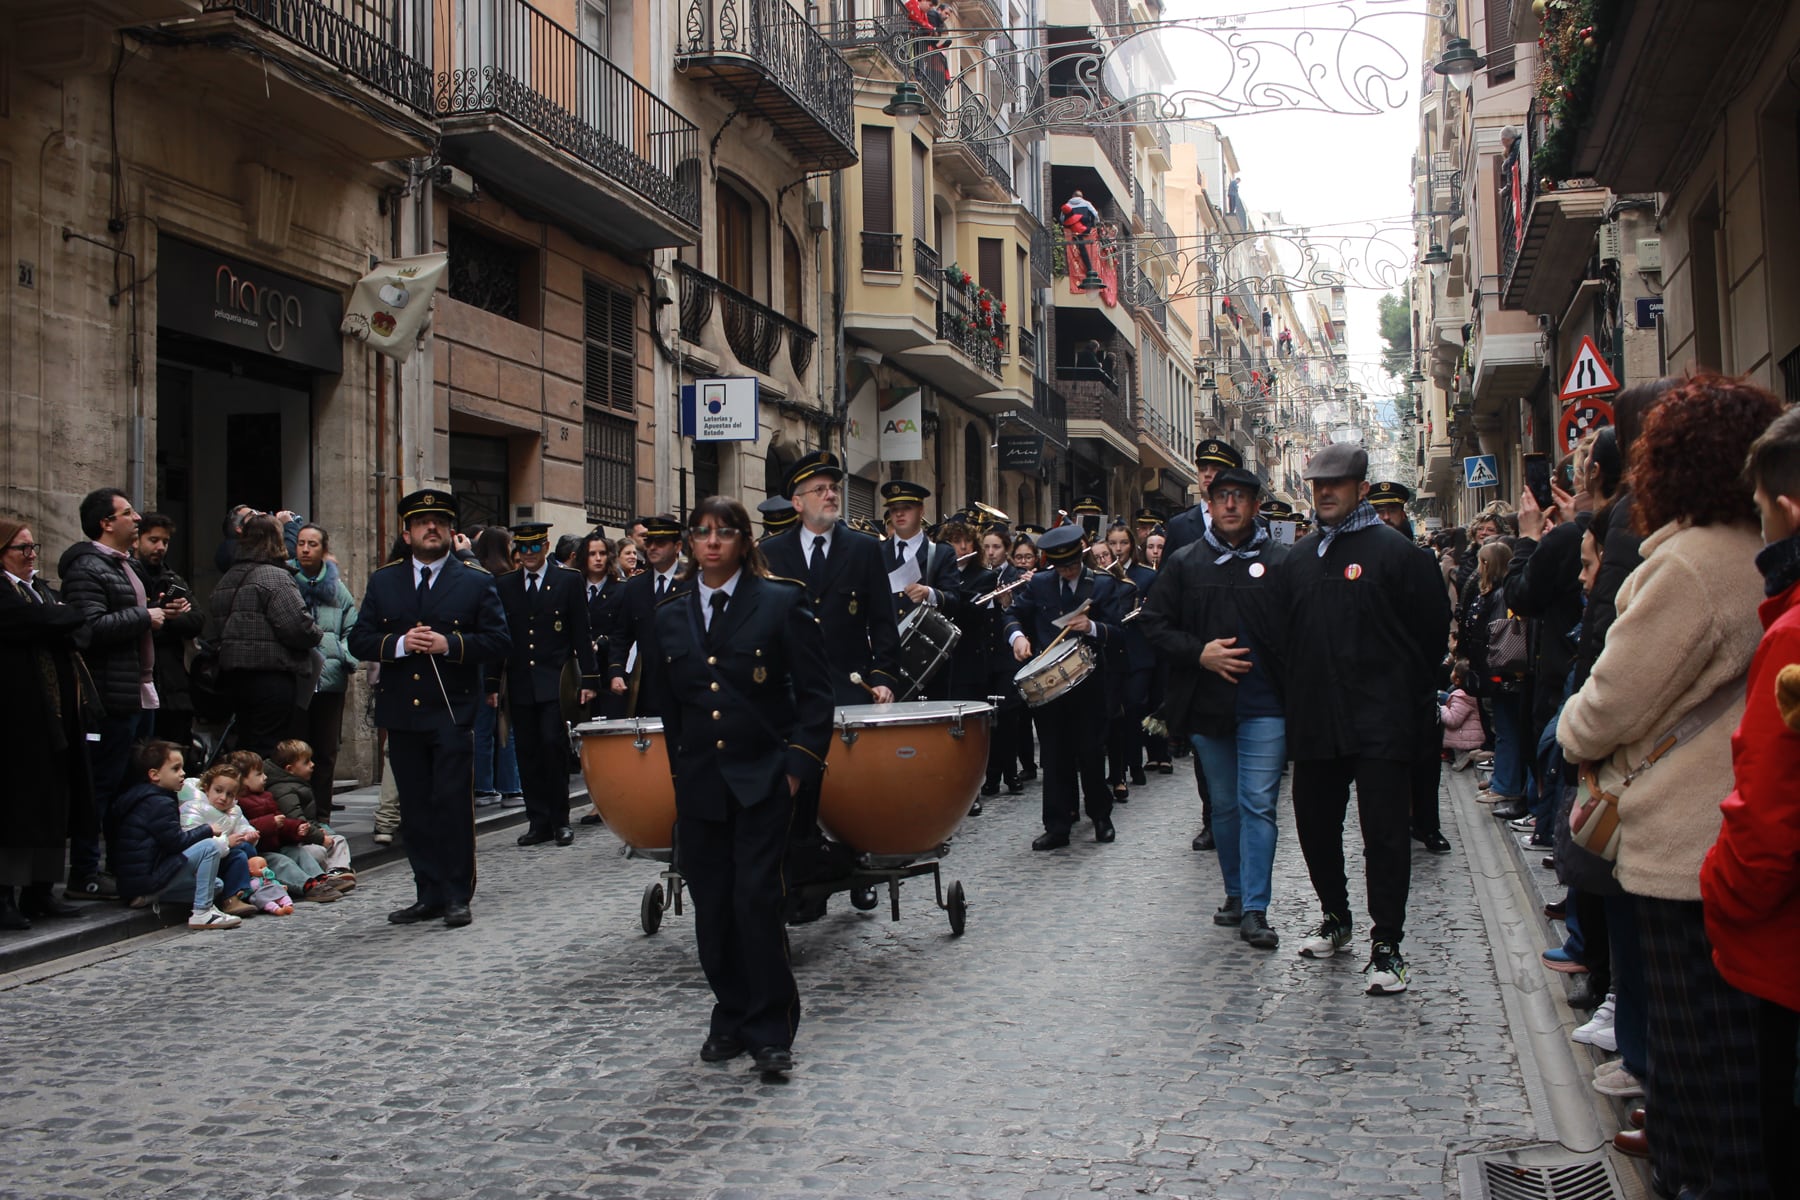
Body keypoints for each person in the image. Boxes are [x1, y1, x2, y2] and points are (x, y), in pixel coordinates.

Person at [1557, 375, 1779, 1192]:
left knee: (1696, 1061)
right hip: (1735, 834)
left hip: (1684, 847)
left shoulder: (1686, 566)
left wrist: (1576, 732)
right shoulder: (1755, 553)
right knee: (1739, 1055)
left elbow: (1604, 706)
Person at [647, 496, 833, 1077]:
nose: (711, 542)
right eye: (700, 532)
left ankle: (770, 1026)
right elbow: (669, 705)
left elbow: (815, 696)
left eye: (723, 532)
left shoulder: (779, 602)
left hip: (763, 780)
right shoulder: (670, 614)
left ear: (743, 541)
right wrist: (681, 775)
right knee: (713, 906)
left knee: (756, 899)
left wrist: (797, 769)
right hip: (702, 784)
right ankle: (729, 1012)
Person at [1281, 442, 1451, 996]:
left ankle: (1388, 944)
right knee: (1315, 828)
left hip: (1381, 718)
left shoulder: (1398, 554)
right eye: (1317, 484)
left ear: (1359, 487)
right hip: (1316, 720)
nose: (1324, 493)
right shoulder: (1298, 559)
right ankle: (1336, 916)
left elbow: (1429, 634)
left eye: (1335, 484)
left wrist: (1402, 693)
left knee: (1384, 836)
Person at [1700, 402, 1800, 1190]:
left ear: (1787, 509)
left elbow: (1768, 818)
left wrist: (1719, 892)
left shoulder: (1792, 638)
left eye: (1761, 510)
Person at [348, 488, 511, 929]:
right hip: (402, 713)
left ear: (451, 529)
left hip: (452, 709)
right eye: (422, 523)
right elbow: (359, 639)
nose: (431, 528)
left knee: (451, 805)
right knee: (416, 809)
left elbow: (499, 641)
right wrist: (398, 644)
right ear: (408, 532)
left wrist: (450, 644)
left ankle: (458, 894)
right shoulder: (385, 581)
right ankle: (428, 892)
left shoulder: (475, 581)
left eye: (439, 520)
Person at [1140, 466, 1288, 949]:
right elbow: (1154, 624)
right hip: (1208, 706)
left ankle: (1255, 909)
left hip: (1266, 705)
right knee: (1223, 807)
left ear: (1255, 505)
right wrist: (1198, 652)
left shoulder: (1282, 562)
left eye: (1239, 497)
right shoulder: (1185, 563)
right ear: (1210, 501)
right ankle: (1233, 893)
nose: (1229, 504)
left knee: (1258, 805)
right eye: (1221, 495)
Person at [762, 453, 900, 914]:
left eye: (833, 487)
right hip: (788, 692)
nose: (831, 494)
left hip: (848, 685)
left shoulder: (862, 549)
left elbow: (884, 621)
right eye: (819, 489)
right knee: (797, 788)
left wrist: (882, 678)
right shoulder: (771, 553)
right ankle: (799, 878)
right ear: (797, 502)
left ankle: (856, 862)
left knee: (848, 786)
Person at [59, 488, 164, 900]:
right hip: (108, 695)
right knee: (99, 786)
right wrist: (143, 616)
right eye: (127, 512)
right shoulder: (88, 567)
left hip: (136, 690)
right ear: (106, 522)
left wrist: (158, 613)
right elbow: (88, 627)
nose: (136, 518)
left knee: (131, 784)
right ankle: (85, 872)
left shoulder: (126, 566)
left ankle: (122, 866)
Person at [1005, 524, 1125, 850]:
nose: (1066, 571)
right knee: (1055, 757)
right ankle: (1057, 826)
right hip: (1051, 688)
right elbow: (1013, 613)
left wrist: (1093, 626)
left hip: (1089, 685)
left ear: (1080, 554)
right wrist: (1018, 637)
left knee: (1089, 752)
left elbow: (1119, 633)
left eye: (1071, 564)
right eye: (1060, 566)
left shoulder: (1100, 585)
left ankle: (1101, 816)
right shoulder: (1042, 583)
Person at [0, 515, 93, 926]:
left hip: (56, 714)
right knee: (19, 809)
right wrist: (55, 619)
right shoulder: (7, 594)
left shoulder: (37, 590)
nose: (32, 554)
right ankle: (5, 896)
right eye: (23, 549)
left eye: (33, 547)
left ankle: (41, 891)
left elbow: (74, 625)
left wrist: (56, 619)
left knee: (56, 803)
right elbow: (35, 622)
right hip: (17, 717)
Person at [1162, 440, 1245, 852]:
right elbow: (1165, 600)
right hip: (1197, 653)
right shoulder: (1180, 527)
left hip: (1243, 653)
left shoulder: (1252, 526)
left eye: (1218, 468)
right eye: (1204, 469)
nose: (1208, 475)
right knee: (1203, 746)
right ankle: (1211, 817)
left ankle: (1240, 814)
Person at [495, 523, 599, 848]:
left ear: (545, 546)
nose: (528, 554)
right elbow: (499, 638)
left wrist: (590, 679)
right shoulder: (505, 585)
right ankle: (537, 820)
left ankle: (560, 820)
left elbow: (581, 632)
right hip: (520, 683)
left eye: (534, 547)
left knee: (553, 750)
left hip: (555, 682)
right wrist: (491, 685)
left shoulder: (567, 580)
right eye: (522, 548)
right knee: (526, 753)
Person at [1368, 481, 1452, 854]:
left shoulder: (1421, 560)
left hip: (1414, 677)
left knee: (1424, 755)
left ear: (1403, 514)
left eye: (1391, 511)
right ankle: (1387, 827)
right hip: (1372, 680)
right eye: (1379, 511)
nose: (1385, 518)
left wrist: (1423, 669)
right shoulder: (1359, 559)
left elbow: (1437, 617)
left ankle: (1427, 824)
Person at [205, 514, 323, 757]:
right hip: (271, 677)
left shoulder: (227, 579)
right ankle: (260, 795)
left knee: (245, 745)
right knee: (268, 748)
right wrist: (316, 633)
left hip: (232, 677)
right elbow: (297, 627)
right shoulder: (275, 577)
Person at [111, 741, 241, 929]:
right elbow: (176, 843)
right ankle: (202, 912)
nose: (183, 773)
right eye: (175, 769)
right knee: (210, 847)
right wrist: (207, 830)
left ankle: (148, 897)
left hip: (137, 881)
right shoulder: (157, 802)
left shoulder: (149, 797)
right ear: (154, 775)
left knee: (217, 885)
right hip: (147, 877)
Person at [289, 523, 359, 811]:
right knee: (295, 749)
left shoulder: (337, 589)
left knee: (326, 750)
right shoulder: (286, 580)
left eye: (312, 544)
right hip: (296, 677)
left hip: (330, 680)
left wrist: (343, 656)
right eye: (301, 543)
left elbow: (352, 628)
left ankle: (322, 812)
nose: (305, 549)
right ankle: (296, 812)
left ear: (324, 549)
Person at [131, 514, 206, 753]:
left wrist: (165, 620)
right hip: (139, 682)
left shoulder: (173, 580)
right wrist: (159, 615)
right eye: (153, 540)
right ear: (137, 540)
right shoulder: (128, 577)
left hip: (174, 686)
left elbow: (196, 619)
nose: (160, 547)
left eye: (164, 541)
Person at [606, 515, 689, 717]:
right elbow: (622, 635)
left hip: (686, 684)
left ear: (677, 546)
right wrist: (616, 671)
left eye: (660, 543)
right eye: (649, 542)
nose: (652, 547)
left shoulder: (694, 582)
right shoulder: (635, 586)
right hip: (648, 686)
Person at [469, 528, 524, 808]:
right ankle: (509, 785)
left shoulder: (480, 577)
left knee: (484, 725)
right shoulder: (505, 579)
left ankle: (485, 786)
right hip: (499, 659)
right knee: (504, 725)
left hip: (483, 657)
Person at [1102, 523, 1155, 800]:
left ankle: (1135, 762)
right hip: (1111, 656)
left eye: (1123, 543)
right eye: (1113, 543)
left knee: (1134, 707)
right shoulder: (1101, 578)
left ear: (1132, 546)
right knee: (1114, 713)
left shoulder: (1144, 576)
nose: (1118, 549)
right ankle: (1119, 768)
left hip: (1137, 652)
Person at [175, 763, 262, 918]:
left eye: (230, 794)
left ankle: (250, 889)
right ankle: (231, 898)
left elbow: (242, 825)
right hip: (203, 862)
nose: (223, 798)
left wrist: (249, 834)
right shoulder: (194, 807)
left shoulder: (234, 810)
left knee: (248, 849)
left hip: (223, 851)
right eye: (219, 791)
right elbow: (194, 840)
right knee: (238, 856)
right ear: (207, 788)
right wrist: (227, 842)